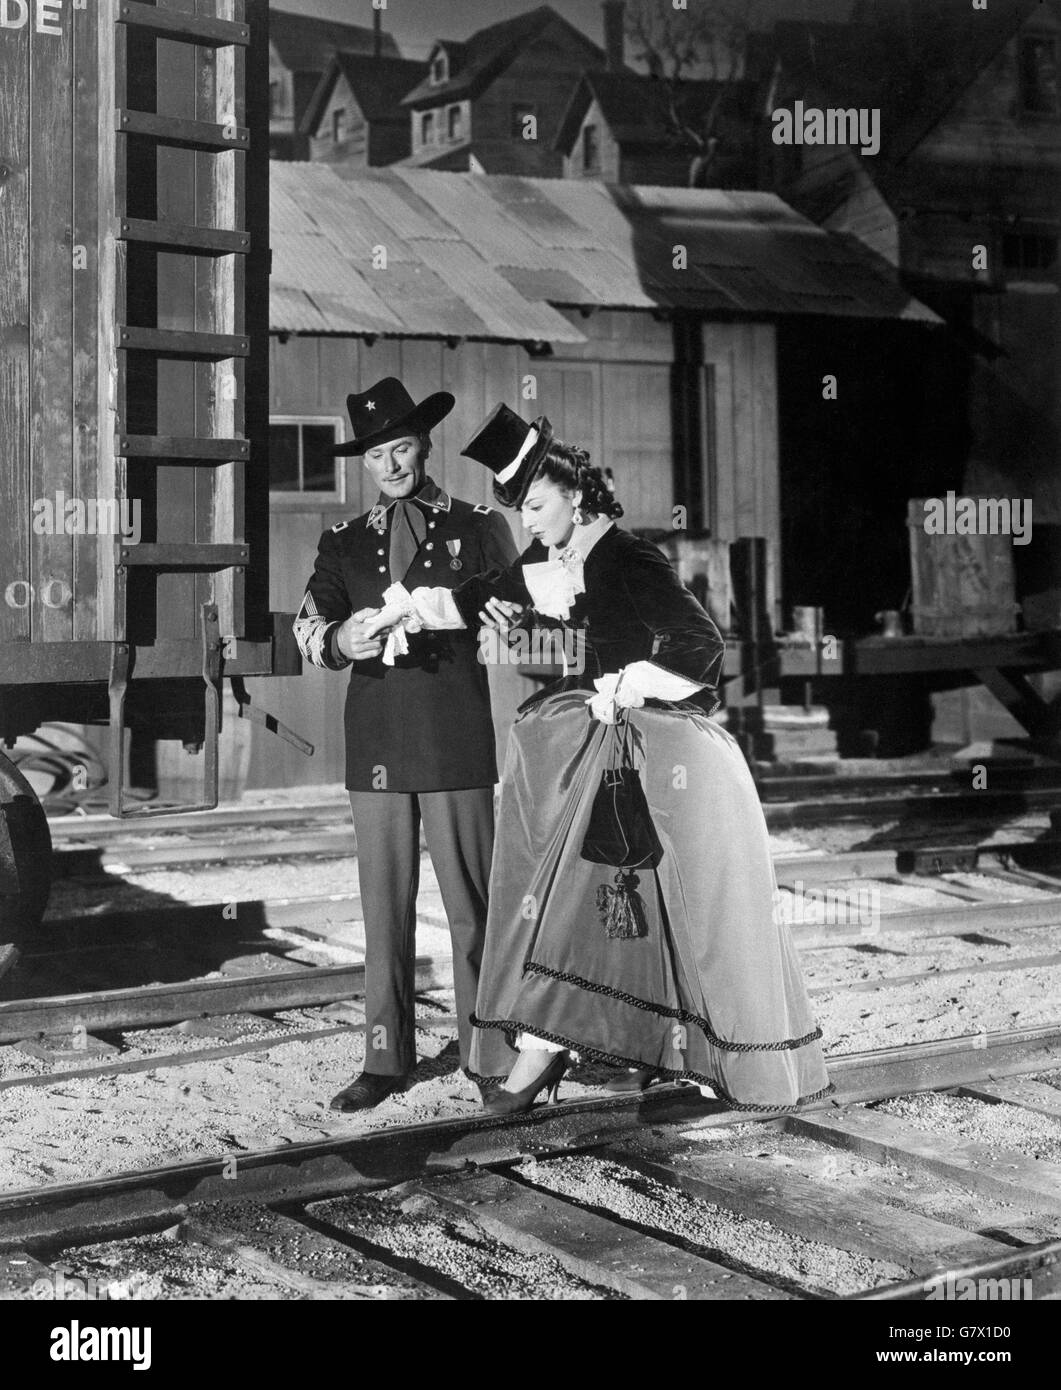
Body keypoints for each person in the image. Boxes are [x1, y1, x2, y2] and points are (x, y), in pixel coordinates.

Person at [361, 403, 832, 1117]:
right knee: (608, 904)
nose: (531, 524)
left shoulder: (630, 556)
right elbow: (484, 595)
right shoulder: (556, 559)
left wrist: (629, 681)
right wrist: (403, 611)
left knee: (662, 911)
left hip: (666, 751)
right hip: (605, 747)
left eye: (540, 508)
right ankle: (564, 1051)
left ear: (575, 497)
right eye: (522, 512)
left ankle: (555, 1055)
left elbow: (699, 644)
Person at [293, 379, 518, 1111]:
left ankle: (488, 1052)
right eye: (376, 455)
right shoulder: (342, 540)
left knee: (472, 907)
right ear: (363, 463)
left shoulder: (480, 526)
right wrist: (336, 637)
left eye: (401, 448)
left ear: (424, 447)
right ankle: (385, 1060)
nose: (390, 464)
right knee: (382, 908)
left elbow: (515, 614)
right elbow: (310, 622)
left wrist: (458, 614)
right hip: (377, 738)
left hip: (454, 735)